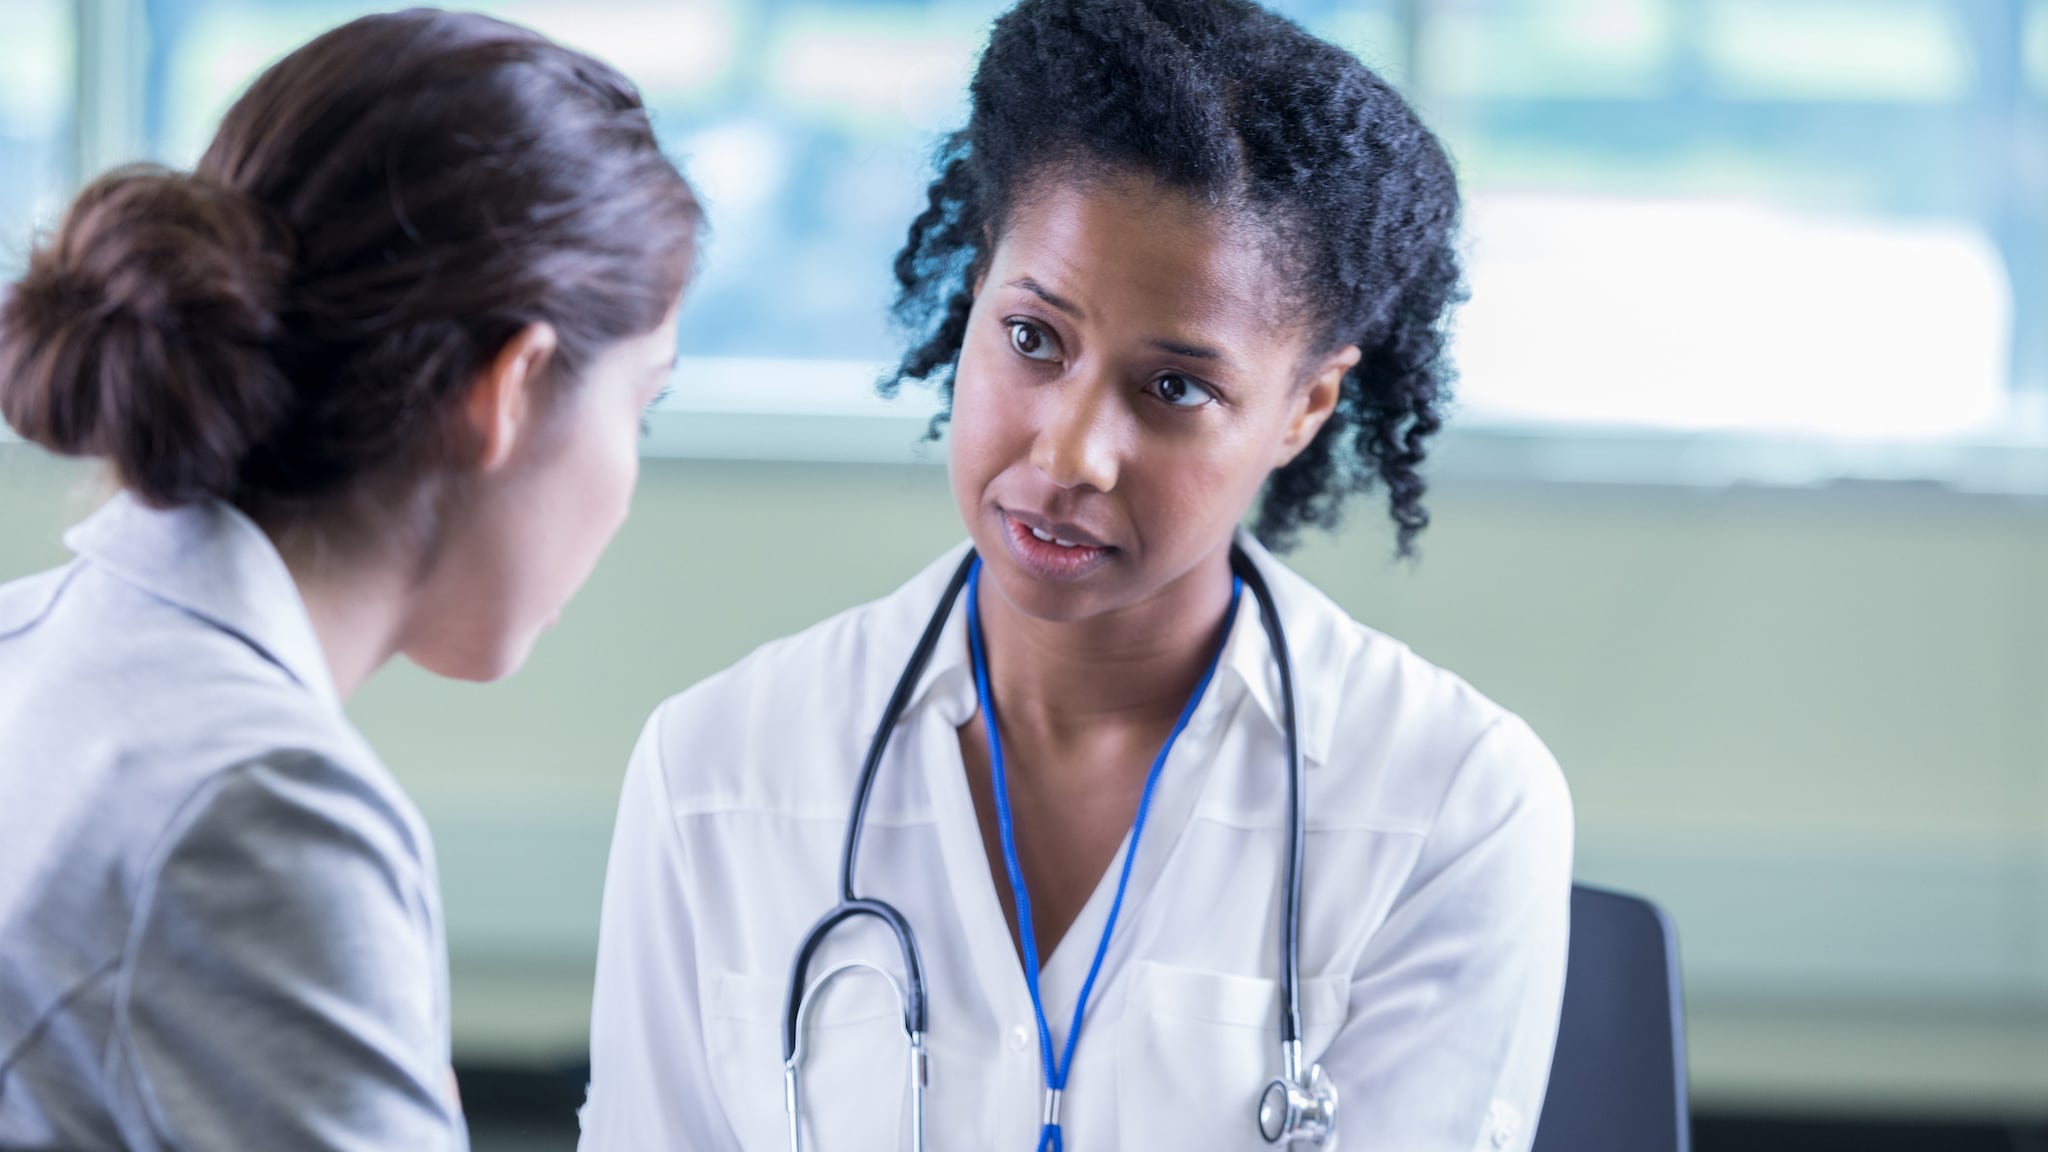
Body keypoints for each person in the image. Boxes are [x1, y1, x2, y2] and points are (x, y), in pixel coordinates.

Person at [579, 0, 1570, 1147]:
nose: (1066, 455)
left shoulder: (1451, 802)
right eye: (1033, 340)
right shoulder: (716, 770)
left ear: (1303, 407)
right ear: (973, 298)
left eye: (1174, 389)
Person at [0, 10, 700, 1149]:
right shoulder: (260, 804)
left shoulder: (28, 646)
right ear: (511, 389)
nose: (626, 472)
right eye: (642, 405)